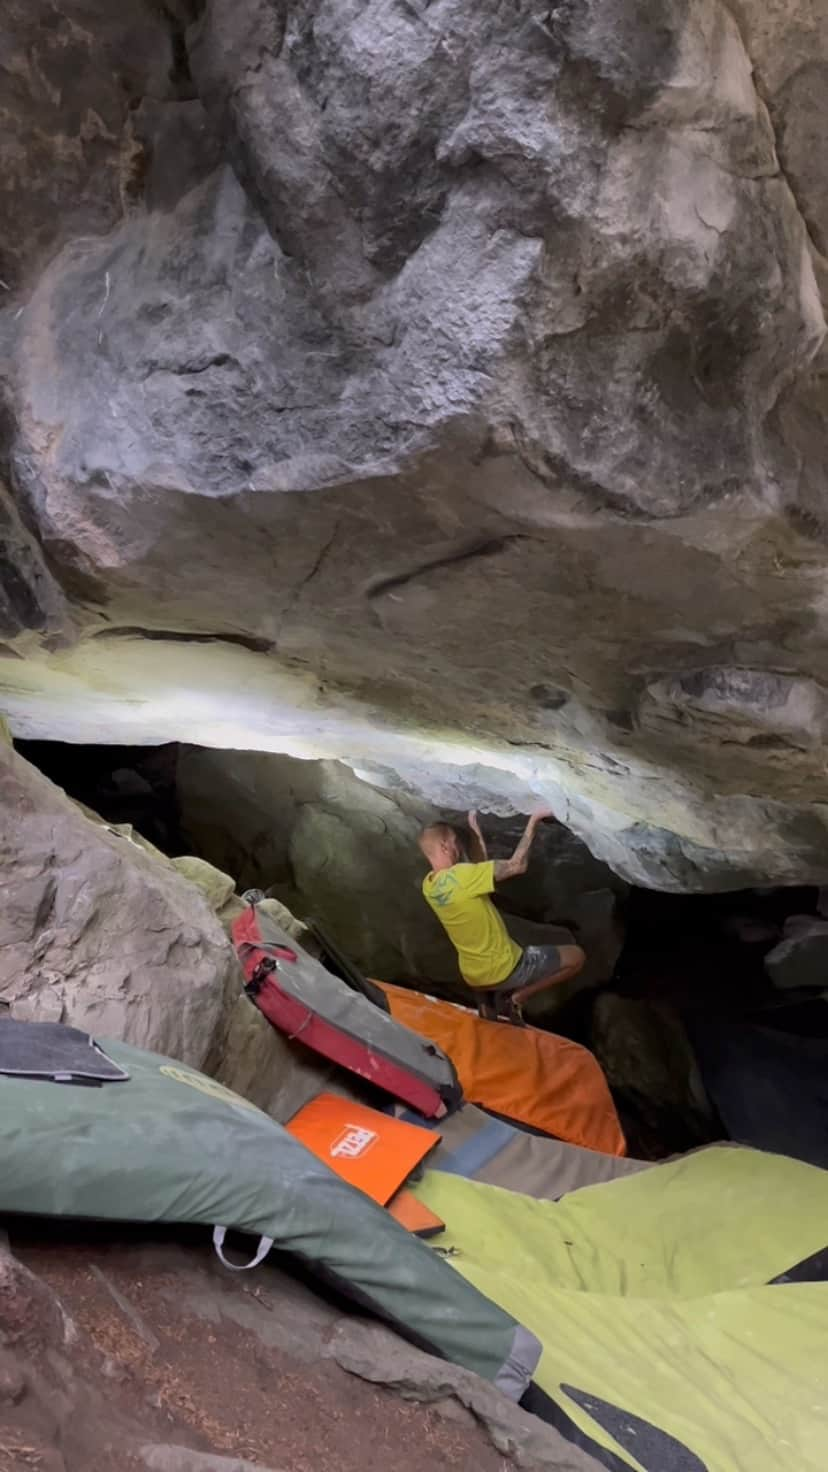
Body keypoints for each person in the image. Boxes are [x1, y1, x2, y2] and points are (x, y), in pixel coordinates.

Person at [418, 807, 586, 1016]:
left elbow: (478, 870)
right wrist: (534, 819)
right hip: (505, 969)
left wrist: (474, 830)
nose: (458, 847)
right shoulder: (463, 877)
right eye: (454, 842)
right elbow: (517, 865)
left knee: (485, 990)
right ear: (444, 847)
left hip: (473, 976)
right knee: (576, 957)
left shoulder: (430, 886)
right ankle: (519, 998)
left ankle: (486, 1008)